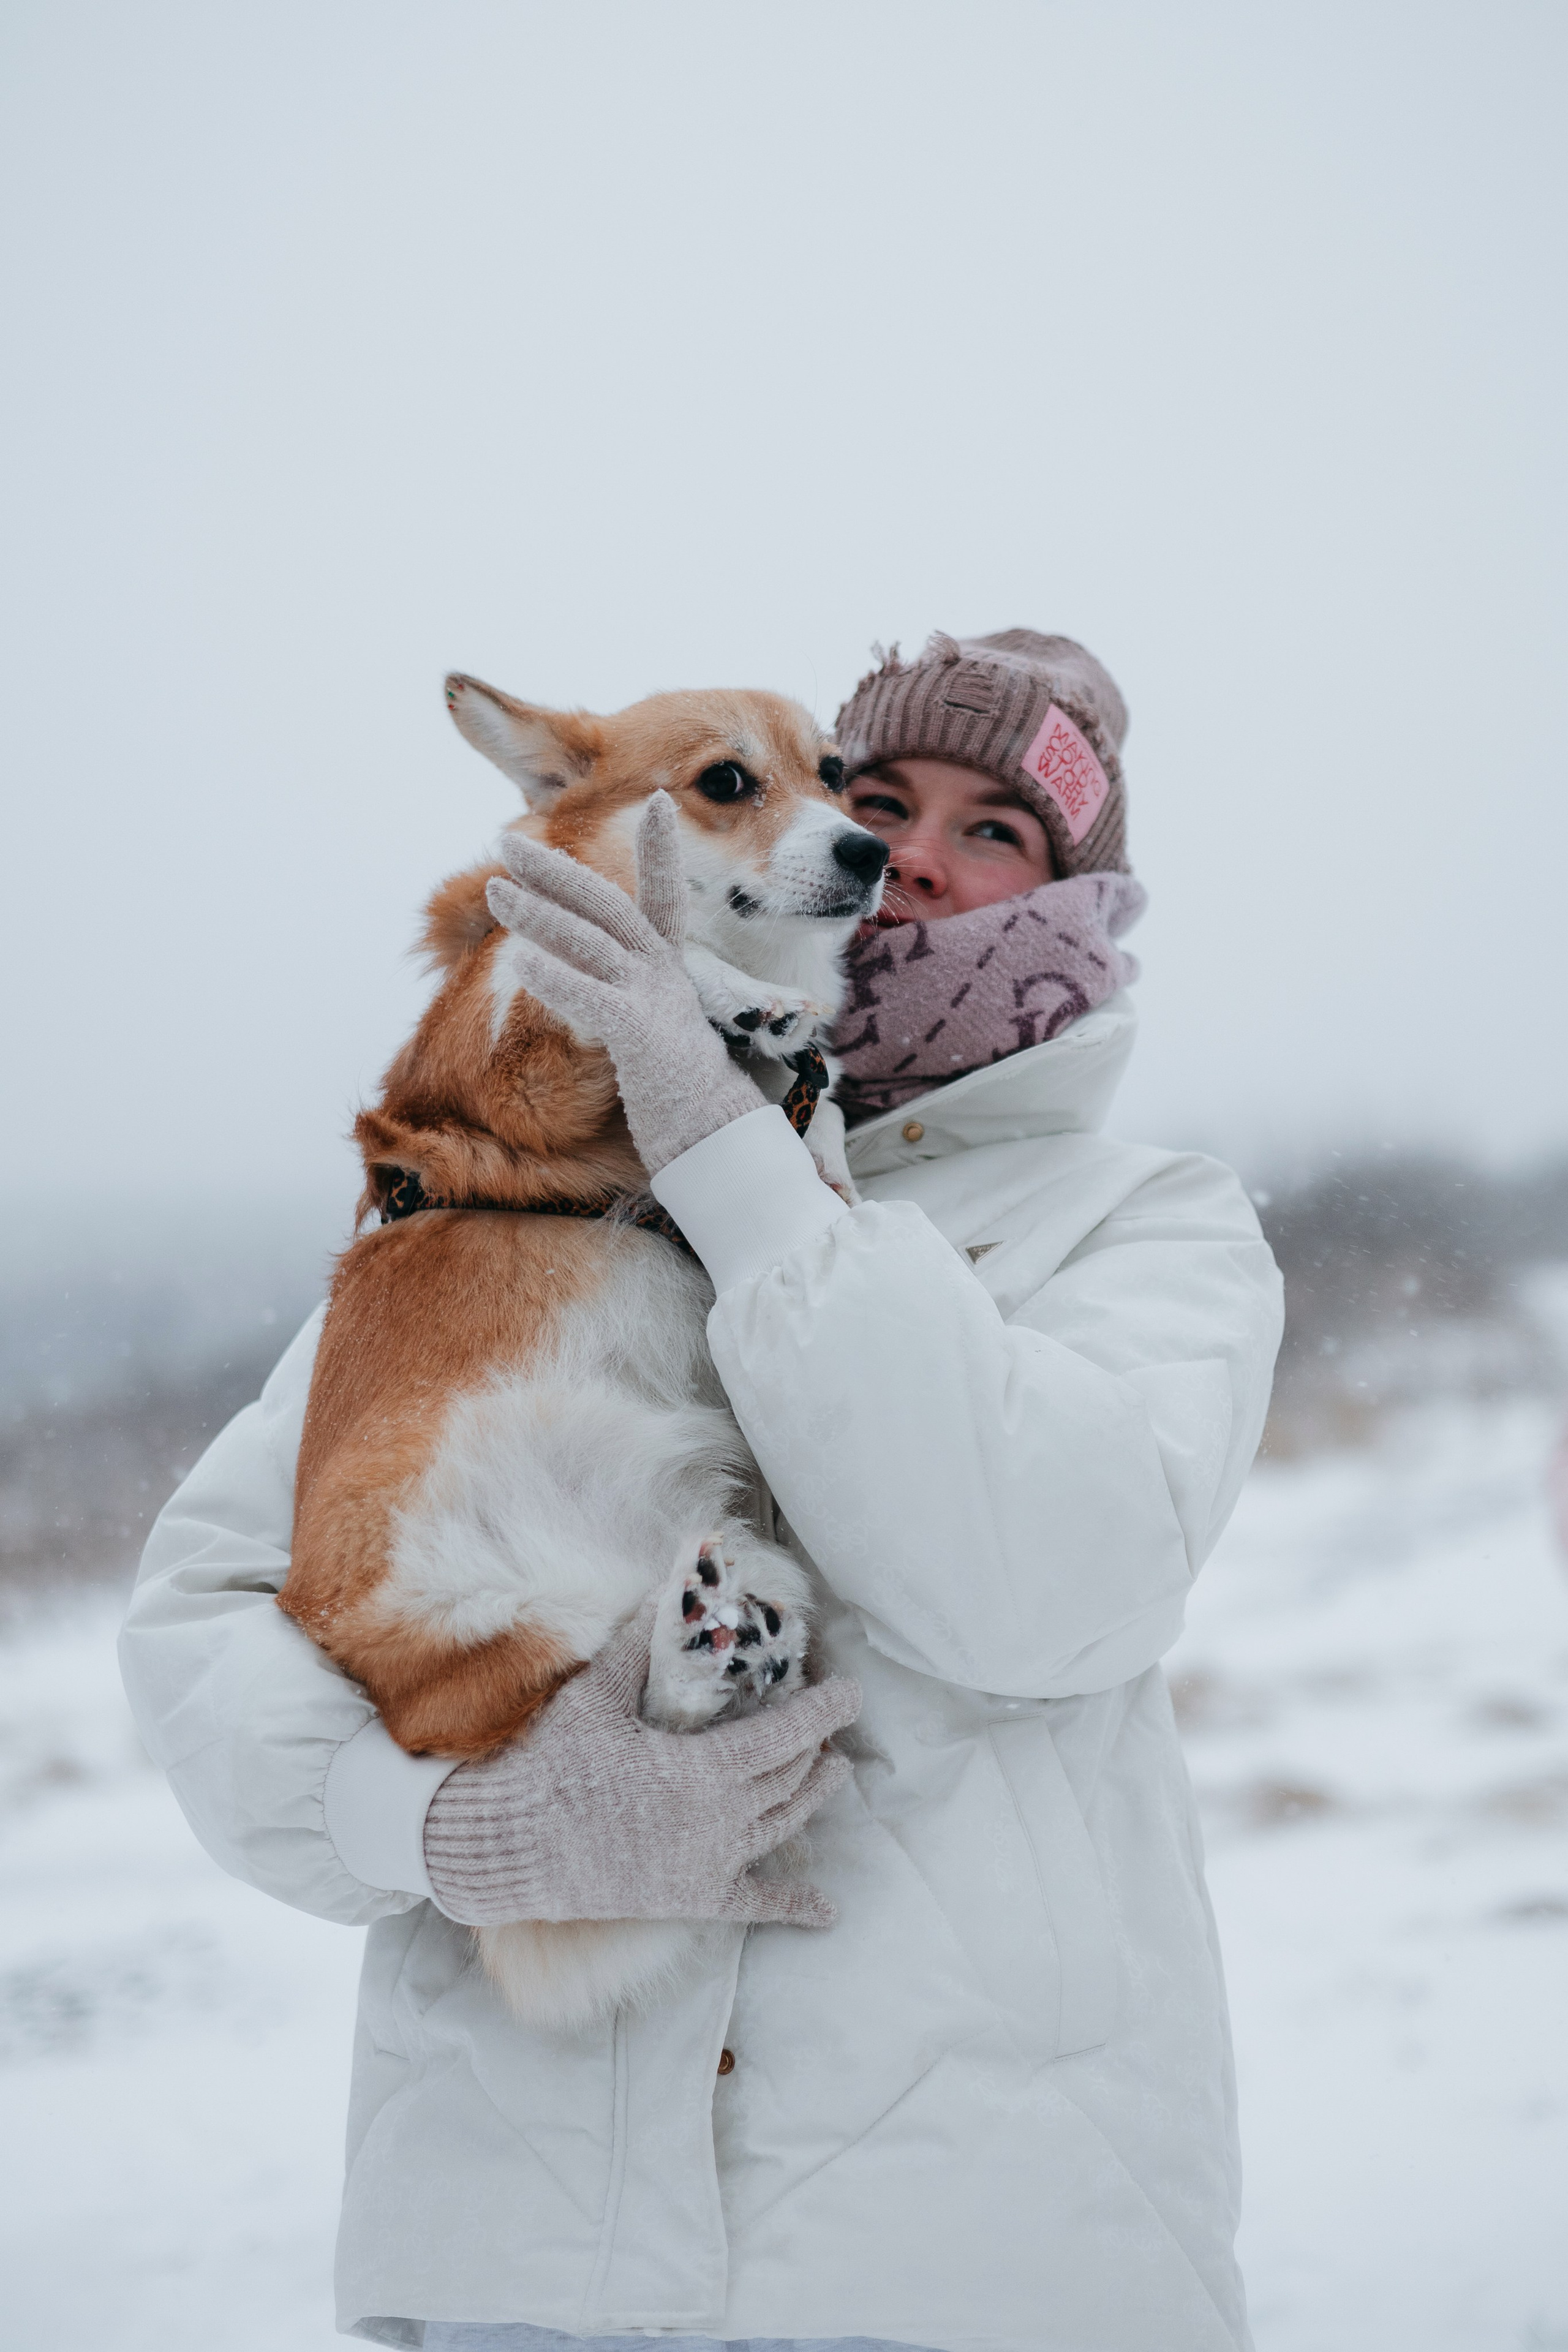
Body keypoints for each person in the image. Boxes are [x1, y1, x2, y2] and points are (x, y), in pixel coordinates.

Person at [120, 627, 1283, 2352]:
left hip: (973, 2253)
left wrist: (733, 1153)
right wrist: (444, 1827)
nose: (908, 858)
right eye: (878, 799)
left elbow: (1039, 1589)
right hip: (524, 2256)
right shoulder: (509, 1193)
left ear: (1073, 899)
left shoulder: (1146, 1225)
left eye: (999, 832)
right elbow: (212, 1607)